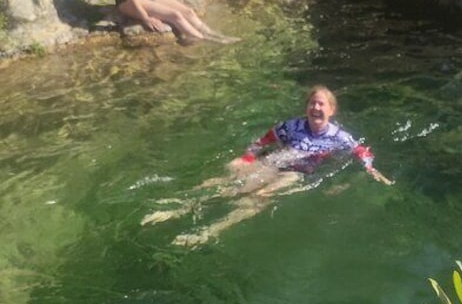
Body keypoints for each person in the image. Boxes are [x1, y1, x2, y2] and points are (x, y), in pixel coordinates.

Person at [141, 85, 394, 247]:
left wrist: (371, 169)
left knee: (260, 196)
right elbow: (264, 140)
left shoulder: (338, 136)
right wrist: (248, 158)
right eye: (312, 103)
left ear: (331, 110)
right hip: (275, 162)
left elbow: (361, 150)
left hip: (296, 173)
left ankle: (210, 230)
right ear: (307, 107)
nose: (315, 107)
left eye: (321, 104)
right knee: (232, 185)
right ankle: (176, 209)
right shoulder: (292, 126)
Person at [115, 0, 238, 43]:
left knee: (188, 12)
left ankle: (214, 34)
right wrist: (145, 17)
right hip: (129, 1)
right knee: (175, 16)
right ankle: (208, 41)